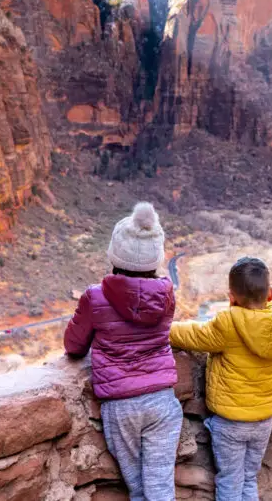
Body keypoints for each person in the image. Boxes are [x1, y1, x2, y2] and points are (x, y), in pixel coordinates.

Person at [64, 202, 180, 501]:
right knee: (160, 487)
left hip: (121, 405)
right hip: (162, 401)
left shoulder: (95, 296)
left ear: (115, 253)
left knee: (138, 489)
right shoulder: (167, 295)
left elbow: (74, 346)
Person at [169, 257, 272, 501]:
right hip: (264, 419)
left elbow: (194, 335)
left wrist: (164, 329)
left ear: (231, 297)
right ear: (270, 294)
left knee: (230, 479)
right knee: (249, 477)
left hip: (231, 422)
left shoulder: (228, 323)